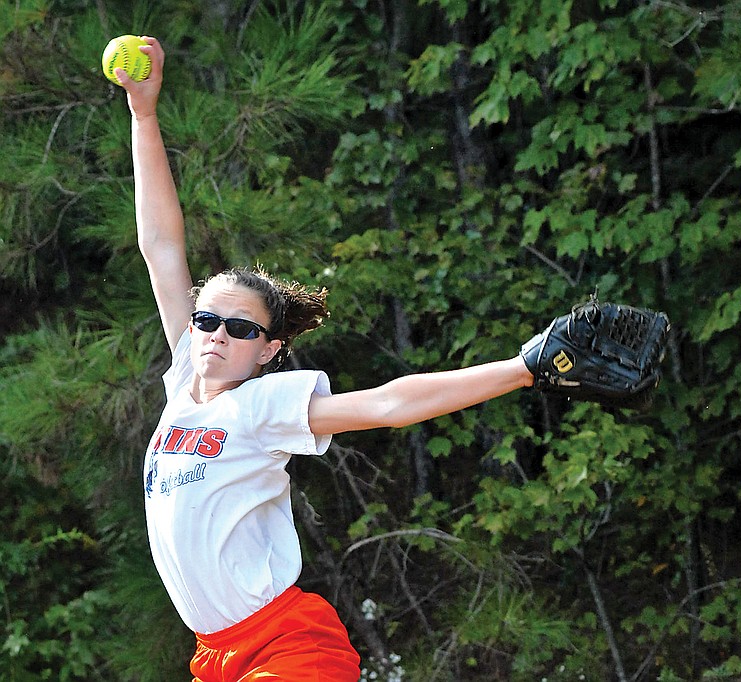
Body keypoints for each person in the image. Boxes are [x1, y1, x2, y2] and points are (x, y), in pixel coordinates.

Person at [117, 37, 535, 682]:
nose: (215, 334)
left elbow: (391, 404)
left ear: (270, 349)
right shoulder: (182, 387)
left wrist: (523, 368)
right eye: (206, 319)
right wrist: (144, 116)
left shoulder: (260, 405)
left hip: (288, 645)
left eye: (239, 327)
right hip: (215, 656)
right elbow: (161, 246)